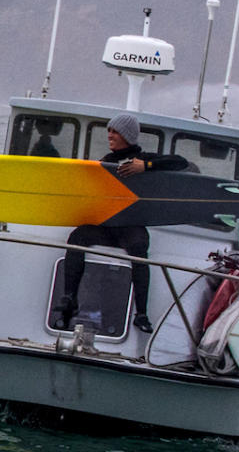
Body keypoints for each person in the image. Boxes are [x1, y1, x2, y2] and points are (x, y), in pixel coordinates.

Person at [50, 113, 189, 334]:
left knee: (139, 247)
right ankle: (70, 298)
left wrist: (146, 166)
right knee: (77, 237)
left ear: (126, 135)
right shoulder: (106, 161)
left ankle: (141, 314)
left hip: (130, 227)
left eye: (114, 131)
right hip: (106, 227)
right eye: (109, 131)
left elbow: (181, 163)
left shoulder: (142, 159)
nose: (110, 135)